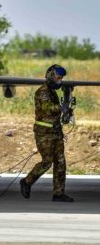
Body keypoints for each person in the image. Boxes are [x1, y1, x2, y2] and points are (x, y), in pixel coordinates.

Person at [20, 64, 74, 202]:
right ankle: (27, 182)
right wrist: (62, 107)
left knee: (60, 163)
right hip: (44, 133)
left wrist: (66, 111)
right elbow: (47, 107)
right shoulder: (42, 91)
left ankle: (58, 193)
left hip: (56, 132)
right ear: (50, 76)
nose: (60, 81)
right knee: (47, 162)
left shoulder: (52, 92)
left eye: (61, 78)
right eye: (58, 78)